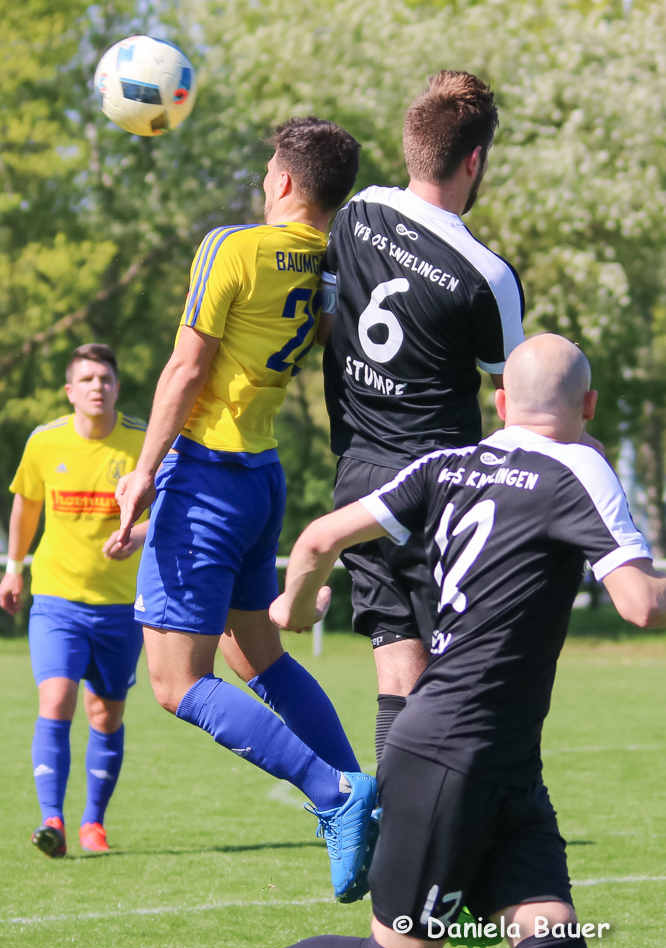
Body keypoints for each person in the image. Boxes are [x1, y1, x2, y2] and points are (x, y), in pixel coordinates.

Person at [170, 334, 666, 948]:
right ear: (589, 406)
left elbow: (320, 538)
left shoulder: (444, 467)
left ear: (501, 403)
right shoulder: (580, 468)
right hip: (448, 759)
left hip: (503, 763)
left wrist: (291, 608)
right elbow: (640, 603)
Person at [114, 117, 376, 898]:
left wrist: (143, 472)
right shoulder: (331, 259)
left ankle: (335, 794)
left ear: (286, 181)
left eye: (268, 169)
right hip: (261, 474)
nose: (264, 179)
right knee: (255, 656)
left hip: (205, 473)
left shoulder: (231, 246)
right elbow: (321, 333)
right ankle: (363, 791)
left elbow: (185, 368)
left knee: (176, 684)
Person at [320, 69, 527, 763]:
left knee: (397, 669)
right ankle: (446, 817)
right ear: (475, 160)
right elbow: (517, 403)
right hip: (437, 490)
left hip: (357, 476)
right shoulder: (487, 276)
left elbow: (328, 320)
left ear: (412, 146)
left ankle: (393, 819)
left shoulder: (358, 213)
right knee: (456, 682)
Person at [0, 344, 149, 857]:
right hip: (56, 600)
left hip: (121, 606)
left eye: (104, 378)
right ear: (69, 390)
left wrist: (139, 534)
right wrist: (13, 568)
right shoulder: (45, 441)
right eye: (86, 379)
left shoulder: (143, 442)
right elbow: (26, 507)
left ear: (117, 388)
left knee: (104, 716)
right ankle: (53, 821)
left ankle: (93, 823)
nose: (96, 387)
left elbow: (174, 506)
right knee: (56, 701)